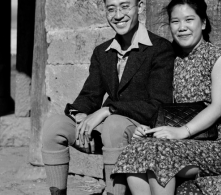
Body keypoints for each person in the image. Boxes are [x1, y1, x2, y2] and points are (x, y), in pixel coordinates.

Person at [41, 0, 175, 194]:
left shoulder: (160, 48)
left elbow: (159, 105)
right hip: (109, 128)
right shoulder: (102, 52)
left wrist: (108, 110)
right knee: (54, 126)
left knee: (113, 125)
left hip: (142, 129)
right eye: (111, 9)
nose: (118, 15)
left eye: (125, 6)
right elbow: (90, 95)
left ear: (141, 6)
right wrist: (79, 114)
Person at [112, 0, 221, 194]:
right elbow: (159, 102)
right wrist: (147, 128)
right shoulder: (168, 56)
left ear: (203, 23)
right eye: (175, 22)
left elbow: (218, 107)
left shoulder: (218, 57)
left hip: (213, 142)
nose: (182, 27)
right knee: (133, 151)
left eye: (189, 20)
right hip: (176, 139)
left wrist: (182, 131)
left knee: (160, 155)